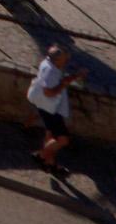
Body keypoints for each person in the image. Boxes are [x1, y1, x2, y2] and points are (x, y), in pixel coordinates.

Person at [26, 39, 79, 174]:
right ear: (57, 60)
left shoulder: (48, 63)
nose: (67, 61)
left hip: (45, 106)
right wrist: (65, 82)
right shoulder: (51, 72)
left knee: (50, 136)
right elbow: (48, 92)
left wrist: (72, 77)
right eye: (65, 59)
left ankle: (50, 164)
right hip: (50, 108)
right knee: (62, 139)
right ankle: (41, 155)